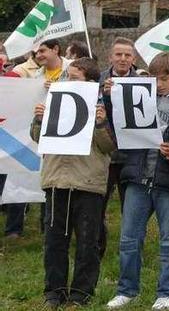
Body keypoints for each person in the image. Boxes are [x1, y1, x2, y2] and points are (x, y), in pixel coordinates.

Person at [106, 52, 169, 310]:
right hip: (137, 176)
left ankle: (168, 293)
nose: (159, 84)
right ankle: (126, 290)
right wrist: (111, 99)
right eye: (155, 79)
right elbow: (119, 128)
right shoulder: (140, 97)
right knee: (129, 238)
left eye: (164, 79)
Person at [31, 58, 115, 308]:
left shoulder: (102, 108)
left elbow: (110, 146)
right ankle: (54, 293)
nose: (68, 81)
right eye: (67, 76)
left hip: (88, 183)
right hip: (57, 181)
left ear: (90, 82)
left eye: (75, 77)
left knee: (88, 242)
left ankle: (81, 293)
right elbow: (37, 138)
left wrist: (101, 123)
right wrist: (39, 120)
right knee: (55, 241)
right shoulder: (53, 102)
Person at [3, 39, 70, 238]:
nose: (38, 56)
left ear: (56, 49)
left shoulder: (72, 69)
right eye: (36, 52)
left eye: (42, 51)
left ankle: (46, 228)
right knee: (23, 175)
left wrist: (59, 88)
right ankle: (14, 229)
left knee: (51, 181)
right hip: (34, 134)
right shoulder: (34, 75)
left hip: (61, 135)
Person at [98, 37, 139, 257]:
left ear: (133, 58)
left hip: (132, 153)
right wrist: (103, 96)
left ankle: (131, 249)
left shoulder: (143, 81)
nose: (123, 59)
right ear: (110, 56)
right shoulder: (98, 80)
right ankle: (98, 247)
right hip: (105, 152)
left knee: (130, 207)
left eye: (127, 55)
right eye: (118, 54)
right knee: (98, 204)